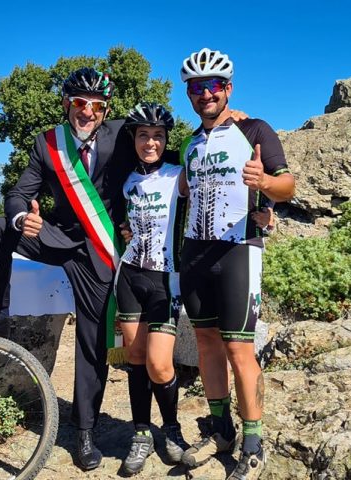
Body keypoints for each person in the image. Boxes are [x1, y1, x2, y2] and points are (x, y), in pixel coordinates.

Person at [0, 67, 134, 471]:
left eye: (95, 106)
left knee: (92, 339)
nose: (86, 112)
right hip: (55, 236)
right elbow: (18, 194)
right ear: (66, 104)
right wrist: (24, 219)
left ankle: (85, 430)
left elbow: (162, 145)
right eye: (79, 103)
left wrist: (232, 123)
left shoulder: (122, 135)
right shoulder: (48, 143)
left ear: (105, 110)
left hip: (98, 247)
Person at [176, 48, 295, 480]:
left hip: (238, 251)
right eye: (195, 87)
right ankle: (221, 428)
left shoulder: (255, 129)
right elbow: (180, 194)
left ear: (227, 88)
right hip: (195, 253)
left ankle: (253, 441)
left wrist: (264, 183)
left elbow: (288, 186)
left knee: (239, 349)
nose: (204, 93)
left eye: (212, 85)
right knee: (206, 342)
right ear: (188, 93)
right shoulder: (189, 142)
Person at [115, 102, 190, 475]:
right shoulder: (124, 179)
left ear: (166, 141)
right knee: (136, 359)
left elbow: (214, 170)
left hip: (165, 280)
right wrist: (121, 230)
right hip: (129, 277)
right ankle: (141, 433)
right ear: (133, 139)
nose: (150, 142)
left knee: (161, 365)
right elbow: (118, 222)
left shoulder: (178, 175)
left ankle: (172, 430)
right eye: (143, 135)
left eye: (158, 136)